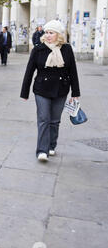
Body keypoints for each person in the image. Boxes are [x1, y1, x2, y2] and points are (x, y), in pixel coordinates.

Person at [20, 20, 80, 162]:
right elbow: (29, 71)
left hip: (61, 89)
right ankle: (42, 150)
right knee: (43, 119)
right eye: (46, 32)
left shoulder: (66, 49)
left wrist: (75, 93)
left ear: (58, 35)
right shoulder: (38, 49)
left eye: (51, 33)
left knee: (54, 120)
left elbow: (73, 71)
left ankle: (52, 145)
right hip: (41, 89)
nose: (47, 35)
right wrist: (25, 92)